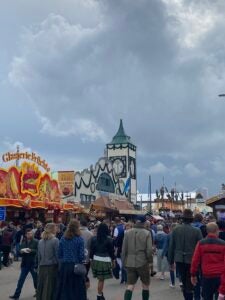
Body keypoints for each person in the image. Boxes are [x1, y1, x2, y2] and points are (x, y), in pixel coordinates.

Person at [168, 209, 202, 300]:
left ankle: (187, 297)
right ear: (191, 219)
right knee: (194, 281)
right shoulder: (197, 231)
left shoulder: (175, 230)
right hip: (192, 259)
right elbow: (200, 247)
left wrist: (170, 261)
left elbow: (171, 246)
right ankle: (193, 297)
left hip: (179, 259)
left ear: (182, 219)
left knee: (184, 280)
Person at [191, 222, 225, 300]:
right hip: (220, 276)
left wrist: (193, 274)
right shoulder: (223, 244)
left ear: (207, 231)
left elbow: (195, 260)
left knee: (206, 297)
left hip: (206, 276)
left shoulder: (201, 243)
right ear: (217, 231)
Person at [122, 215, 153, 300]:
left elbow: (124, 249)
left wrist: (124, 262)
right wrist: (150, 262)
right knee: (145, 285)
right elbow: (149, 250)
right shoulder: (147, 233)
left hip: (130, 262)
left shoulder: (127, 232)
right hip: (143, 262)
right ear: (144, 222)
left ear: (135, 221)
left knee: (130, 285)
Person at [56, 219, 86, 300]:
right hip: (76, 267)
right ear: (77, 227)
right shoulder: (80, 239)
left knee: (65, 288)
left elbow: (59, 254)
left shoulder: (63, 238)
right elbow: (81, 256)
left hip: (65, 267)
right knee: (76, 289)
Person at [9, 228, 38, 300]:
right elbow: (19, 253)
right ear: (25, 235)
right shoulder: (24, 242)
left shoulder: (36, 241)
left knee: (36, 280)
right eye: (28, 234)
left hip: (33, 263)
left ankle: (38, 292)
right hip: (24, 264)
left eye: (31, 233)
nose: (29, 235)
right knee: (21, 280)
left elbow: (38, 251)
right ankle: (16, 295)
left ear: (33, 234)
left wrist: (31, 250)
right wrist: (20, 252)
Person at [90, 222, 115, 300]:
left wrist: (91, 261)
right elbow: (111, 252)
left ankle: (100, 294)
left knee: (100, 279)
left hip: (96, 259)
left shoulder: (94, 239)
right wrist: (113, 261)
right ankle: (99, 295)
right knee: (101, 280)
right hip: (105, 260)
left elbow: (92, 251)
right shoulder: (109, 239)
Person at [37, 223, 59, 300]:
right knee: (48, 288)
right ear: (53, 229)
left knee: (41, 286)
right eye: (55, 228)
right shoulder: (55, 240)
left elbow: (38, 256)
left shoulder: (40, 241)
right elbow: (57, 255)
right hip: (51, 267)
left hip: (42, 266)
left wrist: (38, 267)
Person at [80, 218, 93, 289]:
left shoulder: (76, 232)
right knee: (85, 272)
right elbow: (91, 246)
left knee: (79, 272)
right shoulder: (90, 234)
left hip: (77, 257)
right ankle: (85, 286)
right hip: (87, 257)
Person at [113, 217, 126, 284]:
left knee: (119, 260)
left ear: (115, 222)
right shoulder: (124, 227)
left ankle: (122, 273)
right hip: (125, 247)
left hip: (119, 247)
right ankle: (124, 275)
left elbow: (115, 238)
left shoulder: (116, 228)